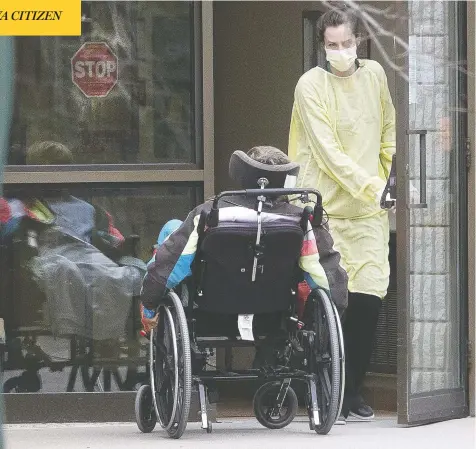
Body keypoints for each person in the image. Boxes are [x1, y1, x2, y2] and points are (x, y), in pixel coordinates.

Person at [288, 5, 396, 422]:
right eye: (332, 45)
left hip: (368, 212)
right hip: (326, 209)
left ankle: (352, 391)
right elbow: (329, 153)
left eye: (346, 43)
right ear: (322, 47)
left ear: (360, 42)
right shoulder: (310, 86)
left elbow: (388, 126)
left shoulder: (375, 77)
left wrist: (386, 175)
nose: (340, 51)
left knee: (369, 299)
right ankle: (325, 385)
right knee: (332, 303)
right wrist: (372, 186)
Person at [140, 146, 340, 329]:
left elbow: (171, 265)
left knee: (173, 229)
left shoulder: (209, 213)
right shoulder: (302, 220)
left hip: (211, 307)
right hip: (275, 311)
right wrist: (332, 314)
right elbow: (324, 276)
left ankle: (152, 319)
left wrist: (149, 304)